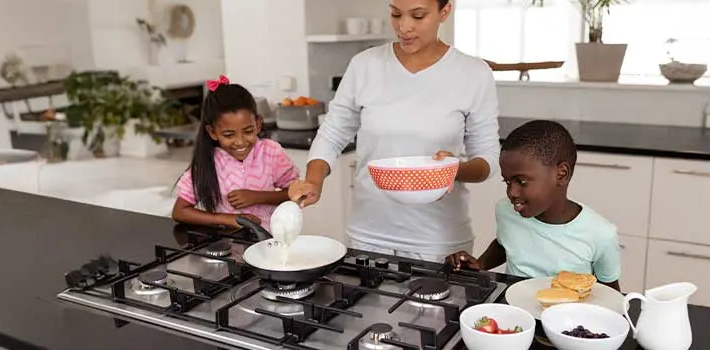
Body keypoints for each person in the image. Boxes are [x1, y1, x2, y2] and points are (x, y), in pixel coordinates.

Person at [287, 0, 501, 262]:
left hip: (439, 240)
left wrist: (452, 170)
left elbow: (488, 158)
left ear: (445, 12)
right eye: (396, 14)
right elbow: (333, 131)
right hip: (368, 235)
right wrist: (314, 180)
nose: (404, 26)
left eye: (418, 15)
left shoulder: (473, 73)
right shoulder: (364, 65)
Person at [445, 120, 622, 291]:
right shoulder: (506, 211)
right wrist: (480, 264)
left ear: (561, 174)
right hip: (516, 315)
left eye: (521, 181)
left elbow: (611, 296)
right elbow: (505, 244)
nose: (512, 193)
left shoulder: (601, 235)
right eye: (507, 181)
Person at [171, 76, 300, 230]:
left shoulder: (271, 152)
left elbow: (295, 192)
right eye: (229, 135)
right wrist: (229, 219)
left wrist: (257, 197)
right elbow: (180, 211)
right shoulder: (209, 161)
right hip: (227, 245)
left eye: (248, 131)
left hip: (269, 242)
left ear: (258, 124)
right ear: (212, 132)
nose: (240, 142)